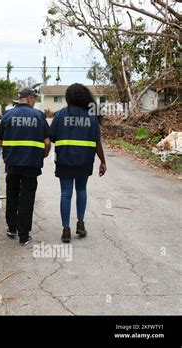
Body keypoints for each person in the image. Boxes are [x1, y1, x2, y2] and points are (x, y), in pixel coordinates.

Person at [50, 83, 107, 243]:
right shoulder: (91, 117)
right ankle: (80, 223)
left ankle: (66, 229)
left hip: (65, 160)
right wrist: (103, 161)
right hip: (85, 160)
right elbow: (97, 142)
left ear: (69, 98)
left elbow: (52, 136)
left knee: (66, 193)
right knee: (81, 189)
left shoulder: (60, 115)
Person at [0, 88, 51, 245]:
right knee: (27, 197)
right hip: (32, 164)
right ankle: (24, 236)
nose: (34, 101)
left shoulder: (7, 115)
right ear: (29, 98)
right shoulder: (39, 116)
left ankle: (12, 228)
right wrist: (44, 154)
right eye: (34, 98)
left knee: (12, 194)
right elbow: (47, 142)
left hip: (12, 163)